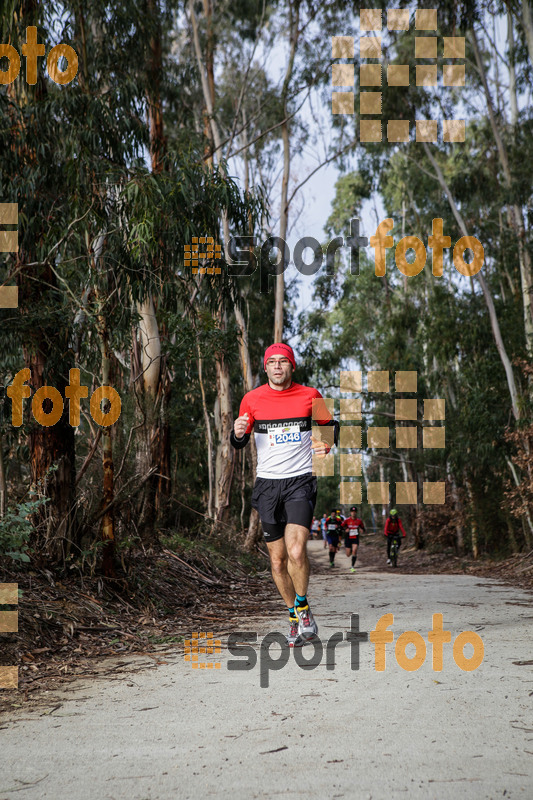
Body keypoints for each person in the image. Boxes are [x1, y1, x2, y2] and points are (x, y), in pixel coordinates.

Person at [230, 343, 338, 647]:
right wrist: (238, 434)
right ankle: (294, 615)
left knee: (295, 551)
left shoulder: (311, 395)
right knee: (277, 563)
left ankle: (302, 608)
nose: (278, 366)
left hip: (300, 482)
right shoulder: (251, 400)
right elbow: (239, 442)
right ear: (266, 368)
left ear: (292, 366)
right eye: (272, 362)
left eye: (283, 362)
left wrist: (326, 444)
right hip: (267, 486)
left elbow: (331, 427)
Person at [342, 506, 365, 572]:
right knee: (348, 554)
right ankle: (351, 550)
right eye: (352, 512)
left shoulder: (359, 521)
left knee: (355, 550)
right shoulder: (347, 520)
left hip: (355, 538)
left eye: (355, 512)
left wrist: (361, 530)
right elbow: (341, 527)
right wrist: (345, 530)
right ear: (350, 513)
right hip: (348, 538)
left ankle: (352, 566)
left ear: (356, 513)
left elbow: (363, 528)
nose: (353, 513)